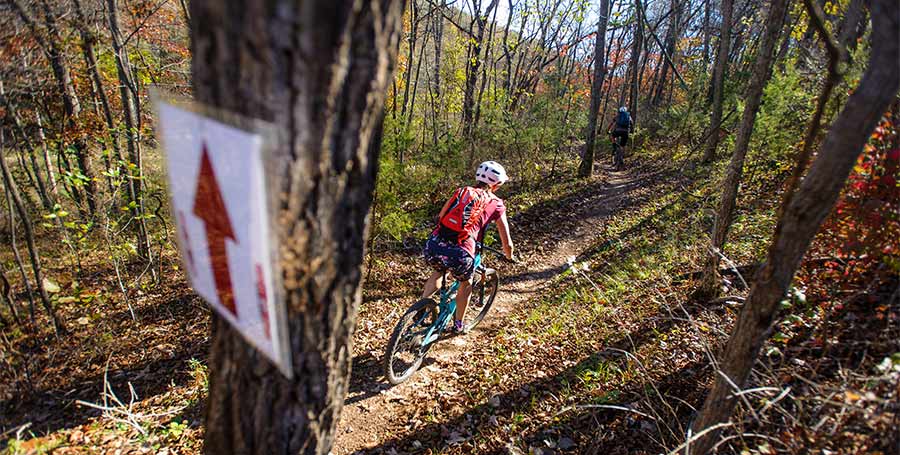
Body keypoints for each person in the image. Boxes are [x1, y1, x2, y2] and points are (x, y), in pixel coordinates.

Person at [421, 161, 515, 334]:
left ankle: (420, 306)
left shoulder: (462, 191)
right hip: (461, 251)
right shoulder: (496, 203)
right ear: (497, 184)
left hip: (434, 244)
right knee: (466, 283)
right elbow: (507, 242)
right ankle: (458, 325)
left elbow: (441, 216)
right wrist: (509, 256)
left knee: (438, 272)